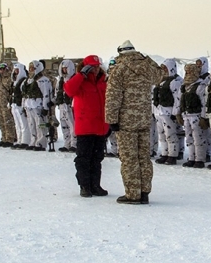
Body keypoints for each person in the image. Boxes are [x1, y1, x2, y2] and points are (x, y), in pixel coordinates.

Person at [106, 40, 163, 205]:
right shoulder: (147, 68)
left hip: (126, 121)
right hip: (144, 120)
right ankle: (145, 192)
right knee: (144, 157)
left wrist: (111, 119)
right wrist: (146, 59)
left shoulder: (119, 70)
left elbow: (113, 97)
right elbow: (160, 74)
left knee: (129, 158)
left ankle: (133, 194)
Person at [64, 55, 109, 198]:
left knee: (97, 158)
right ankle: (84, 186)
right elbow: (69, 90)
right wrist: (81, 75)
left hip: (100, 127)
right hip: (85, 127)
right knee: (83, 158)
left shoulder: (103, 82)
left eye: (97, 66)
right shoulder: (80, 82)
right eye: (92, 67)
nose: (95, 70)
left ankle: (95, 185)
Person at [179, 63, 210, 168]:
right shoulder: (185, 86)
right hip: (187, 115)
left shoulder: (200, 86)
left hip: (196, 116)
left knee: (198, 138)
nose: (188, 74)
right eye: (186, 72)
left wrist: (203, 117)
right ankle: (191, 158)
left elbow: (204, 103)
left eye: (190, 72)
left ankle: (200, 159)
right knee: (189, 138)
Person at [152, 59, 183, 165]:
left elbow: (177, 99)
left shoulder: (175, 82)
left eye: (166, 68)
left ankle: (172, 155)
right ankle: (164, 153)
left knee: (170, 134)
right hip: (159, 112)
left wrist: (176, 113)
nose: (164, 70)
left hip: (168, 113)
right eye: (162, 68)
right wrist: (153, 111)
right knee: (161, 135)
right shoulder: (160, 81)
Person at [20, 60, 53, 151]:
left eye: (33, 68)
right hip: (29, 105)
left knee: (41, 125)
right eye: (30, 68)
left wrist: (46, 107)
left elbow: (46, 94)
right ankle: (33, 141)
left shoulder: (43, 80)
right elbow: (24, 94)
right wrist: (23, 105)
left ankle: (41, 143)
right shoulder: (28, 80)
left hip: (39, 105)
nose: (31, 70)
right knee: (31, 124)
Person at [56, 60, 78, 153]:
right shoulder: (60, 80)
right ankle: (67, 143)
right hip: (62, 105)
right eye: (63, 69)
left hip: (70, 105)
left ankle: (74, 144)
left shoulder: (74, 79)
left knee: (72, 125)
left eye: (66, 68)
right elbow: (57, 91)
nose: (64, 70)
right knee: (64, 125)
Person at [10, 63, 32, 149]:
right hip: (14, 104)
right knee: (17, 124)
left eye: (17, 70)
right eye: (15, 70)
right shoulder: (14, 82)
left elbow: (24, 94)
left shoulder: (23, 81)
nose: (16, 72)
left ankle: (25, 141)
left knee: (24, 124)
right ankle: (19, 140)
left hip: (20, 105)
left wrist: (23, 105)